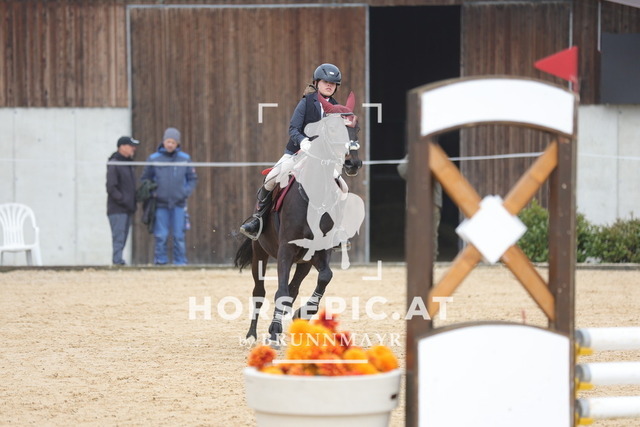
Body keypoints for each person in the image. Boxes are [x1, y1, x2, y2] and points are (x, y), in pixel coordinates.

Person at [239, 63, 344, 240]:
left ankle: (338, 230)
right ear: (316, 82)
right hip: (297, 153)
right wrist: (303, 141)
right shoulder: (306, 103)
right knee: (271, 178)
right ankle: (257, 219)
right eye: (325, 82)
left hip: (323, 159)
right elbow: (293, 129)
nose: (329, 85)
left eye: (333, 83)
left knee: (343, 188)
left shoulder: (337, 110)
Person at [140, 127, 198, 265]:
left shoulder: (185, 159)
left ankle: (180, 263)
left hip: (179, 204)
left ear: (177, 143)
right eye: (168, 141)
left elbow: (192, 179)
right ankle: (161, 262)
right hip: (160, 204)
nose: (170, 144)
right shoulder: (154, 159)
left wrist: (185, 192)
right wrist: (153, 192)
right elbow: (145, 179)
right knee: (161, 235)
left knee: (179, 236)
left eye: (173, 142)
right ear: (163, 141)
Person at [397, 154, 442, 260]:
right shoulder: (412, 158)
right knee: (414, 233)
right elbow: (401, 169)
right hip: (415, 205)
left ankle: (432, 259)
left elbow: (441, 172)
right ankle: (415, 259)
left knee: (432, 233)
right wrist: (411, 157)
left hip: (432, 203)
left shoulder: (436, 157)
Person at [106, 136, 140, 265]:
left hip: (127, 208)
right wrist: (123, 199)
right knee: (118, 236)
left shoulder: (128, 164)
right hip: (117, 209)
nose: (133, 149)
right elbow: (111, 187)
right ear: (122, 147)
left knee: (123, 236)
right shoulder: (115, 164)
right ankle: (117, 261)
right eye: (131, 146)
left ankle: (118, 260)